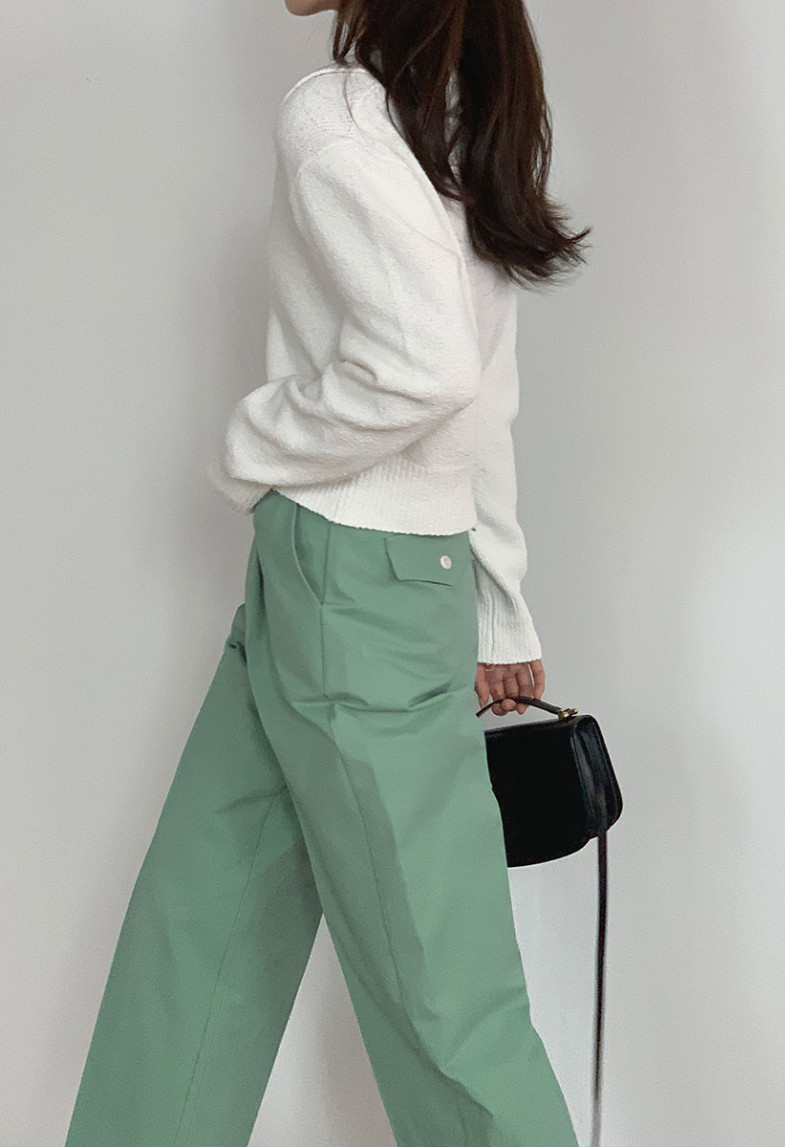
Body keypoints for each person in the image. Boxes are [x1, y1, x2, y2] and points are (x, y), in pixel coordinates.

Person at [62, 1, 591, 1144]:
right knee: (199, 928)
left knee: (444, 1001)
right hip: (355, 582)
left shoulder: (338, 118)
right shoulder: (450, 108)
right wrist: (497, 601)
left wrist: (251, 442)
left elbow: (432, 371)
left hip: (349, 584)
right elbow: (482, 389)